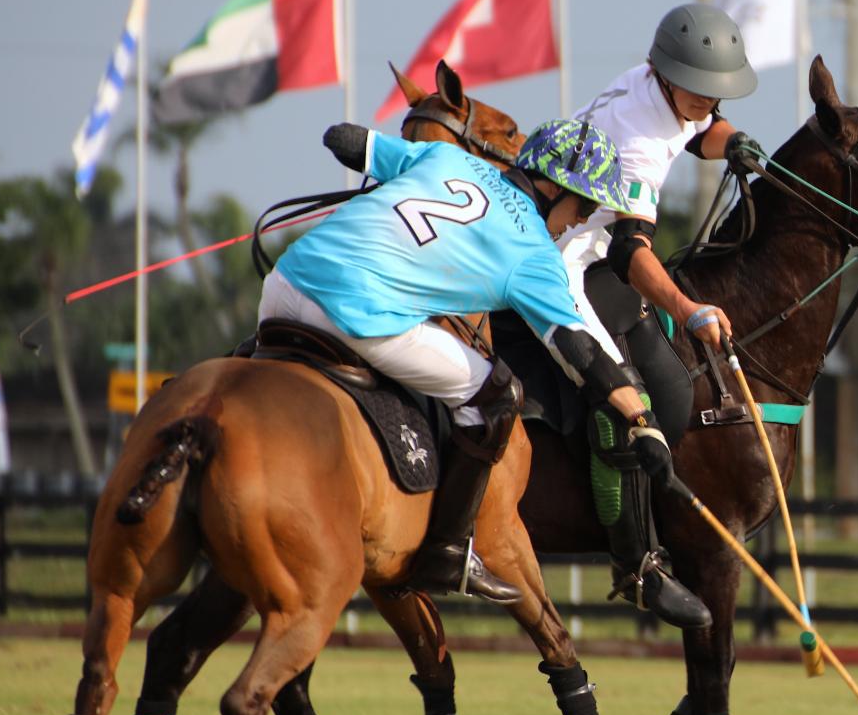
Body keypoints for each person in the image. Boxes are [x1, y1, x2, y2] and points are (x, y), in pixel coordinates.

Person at [259, 118, 684, 606]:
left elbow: (346, 140)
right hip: (352, 314)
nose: (579, 221)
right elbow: (580, 349)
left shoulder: (449, 157)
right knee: (494, 394)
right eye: (585, 205)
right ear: (553, 186)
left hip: (283, 286)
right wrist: (641, 419)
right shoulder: (534, 256)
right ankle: (448, 549)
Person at [553, 3, 763, 630]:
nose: (709, 100)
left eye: (716, 89)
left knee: (672, 383)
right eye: (699, 88)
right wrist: (689, 307)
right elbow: (631, 251)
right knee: (627, 403)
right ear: (667, 76)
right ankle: (637, 567)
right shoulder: (638, 139)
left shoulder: (657, 86)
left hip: (596, 250)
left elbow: (701, 129)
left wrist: (735, 143)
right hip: (565, 259)